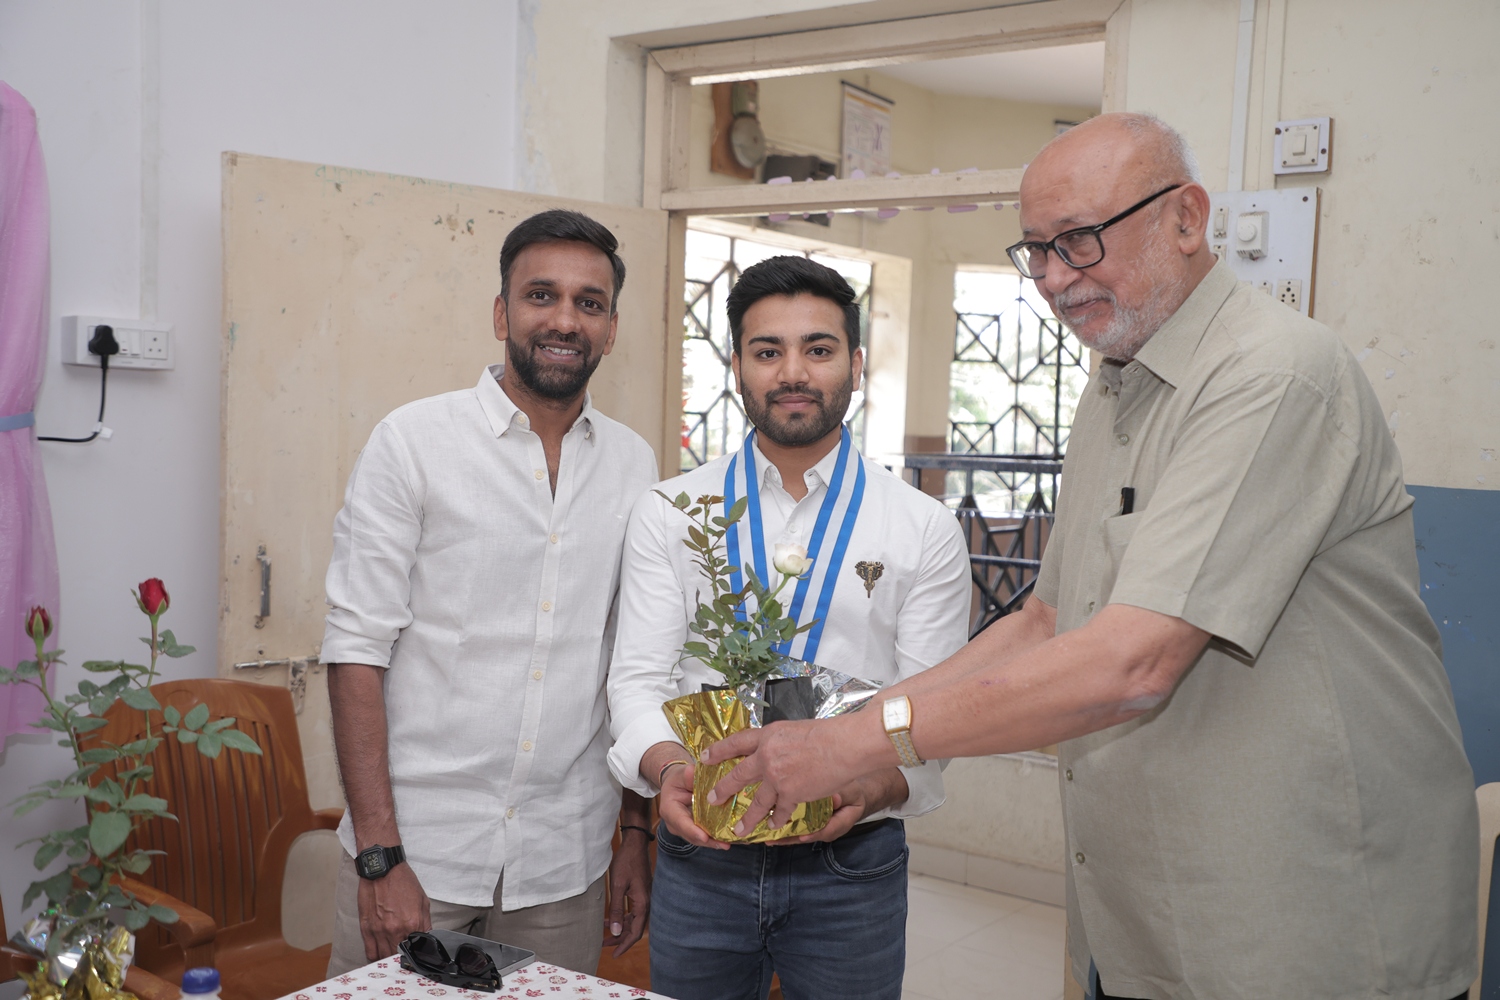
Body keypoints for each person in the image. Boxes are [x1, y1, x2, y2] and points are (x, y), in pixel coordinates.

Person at [702, 114, 1479, 1000]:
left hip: (1300, 914)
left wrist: (851, 742)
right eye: (1036, 250)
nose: (1054, 279)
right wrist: (859, 738)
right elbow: (1046, 620)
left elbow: (1134, 662)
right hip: (1151, 911)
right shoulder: (1113, 389)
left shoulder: (1272, 375)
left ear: (1187, 218)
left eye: (1079, 240)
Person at [606, 255, 970, 1000]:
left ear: (857, 365)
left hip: (852, 862)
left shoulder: (923, 528)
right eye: (767, 351)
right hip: (703, 849)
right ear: (737, 366)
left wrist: (871, 787)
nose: (793, 372)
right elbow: (638, 680)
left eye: (819, 348)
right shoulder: (671, 512)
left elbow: (929, 711)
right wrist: (670, 771)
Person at [320, 209, 660, 976]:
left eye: (589, 303)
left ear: (610, 329)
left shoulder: (635, 467)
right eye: (542, 295)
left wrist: (634, 835)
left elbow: (634, 663)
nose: (565, 320)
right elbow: (355, 651)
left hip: (565, 862)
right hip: (419, 854)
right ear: (503, 314)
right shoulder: (413, 443)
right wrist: (379, 856)